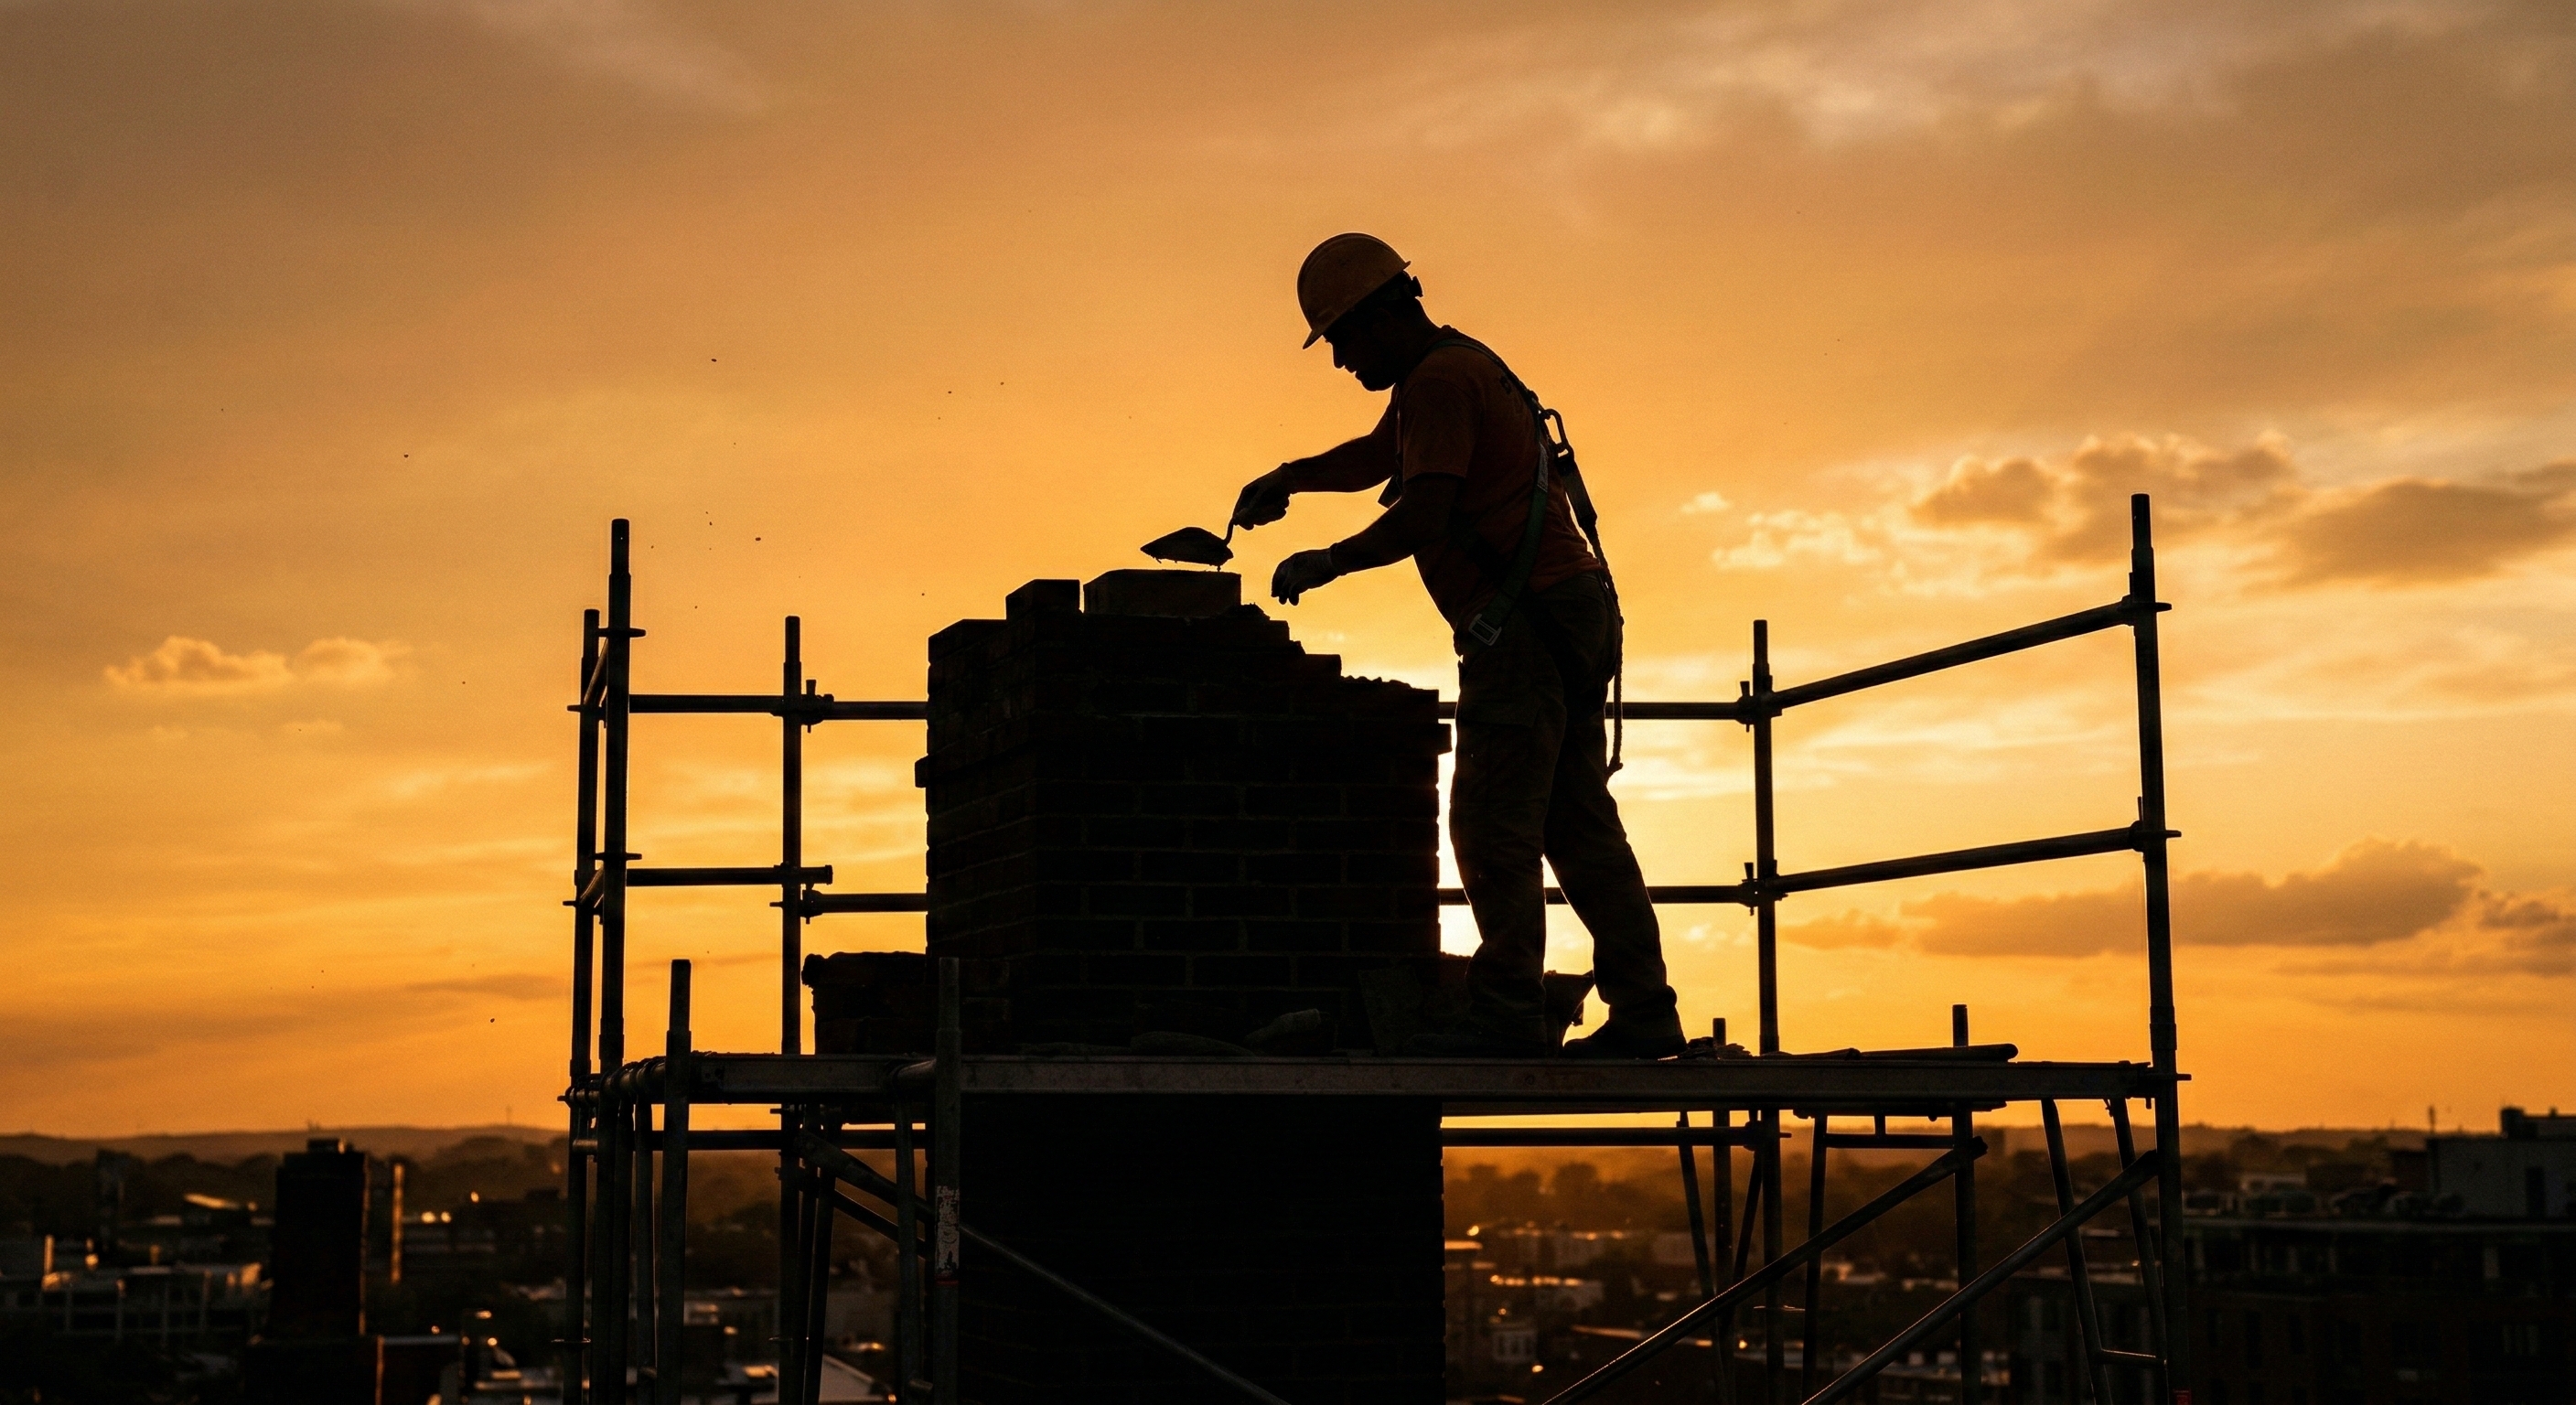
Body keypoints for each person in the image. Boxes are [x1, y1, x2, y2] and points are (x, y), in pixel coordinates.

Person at [1232, 232, 1685, 1060]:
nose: (1338, 362)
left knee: (1488, 823)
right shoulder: (1447, 371)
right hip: (1568, 616)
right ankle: (1646, 1008)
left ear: (1380, 317)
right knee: (1578, 826)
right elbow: (1380, 458)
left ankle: (1508, 1011)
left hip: (1526, 628)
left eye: (1339, 340)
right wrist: (1290, 476)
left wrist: (1329, 560)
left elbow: (1425, 513)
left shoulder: (1439, 381)